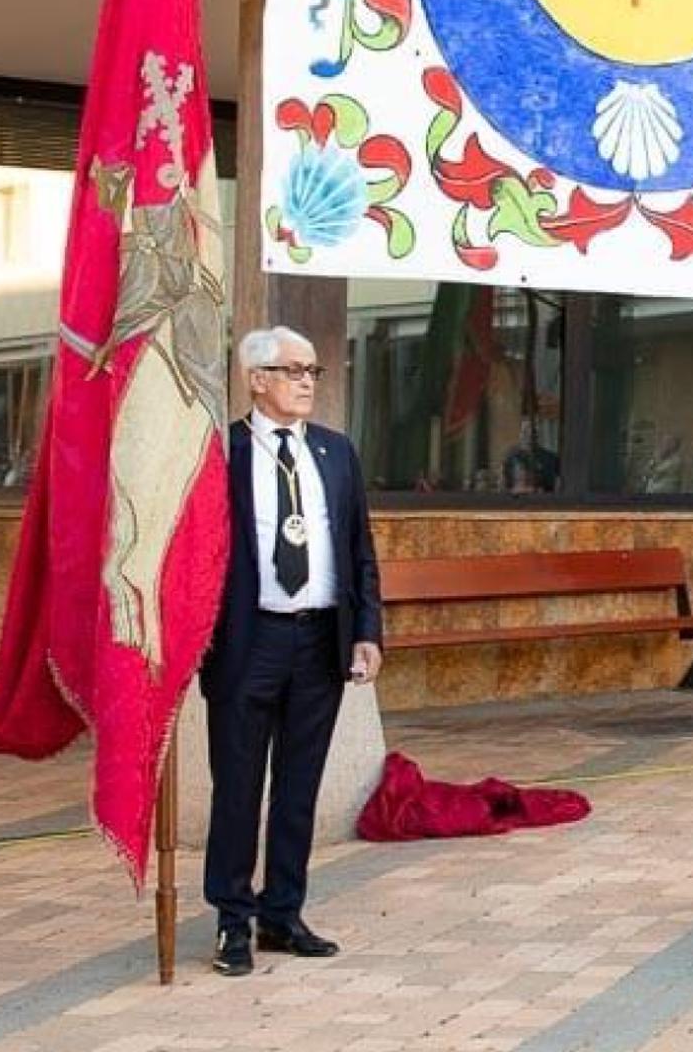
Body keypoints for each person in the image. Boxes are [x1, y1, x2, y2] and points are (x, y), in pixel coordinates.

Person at [205, 327, 384, 976]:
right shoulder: (221, 452)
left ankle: (282, 913)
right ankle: (232, 920)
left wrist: (367, 631)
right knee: (237, 789)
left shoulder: (335, 453)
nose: (307, 381)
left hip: (318, 642)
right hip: (248, 642)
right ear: (256, 380)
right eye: (291, 370)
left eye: (314, 370)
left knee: (299, 787)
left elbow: (360, 549)